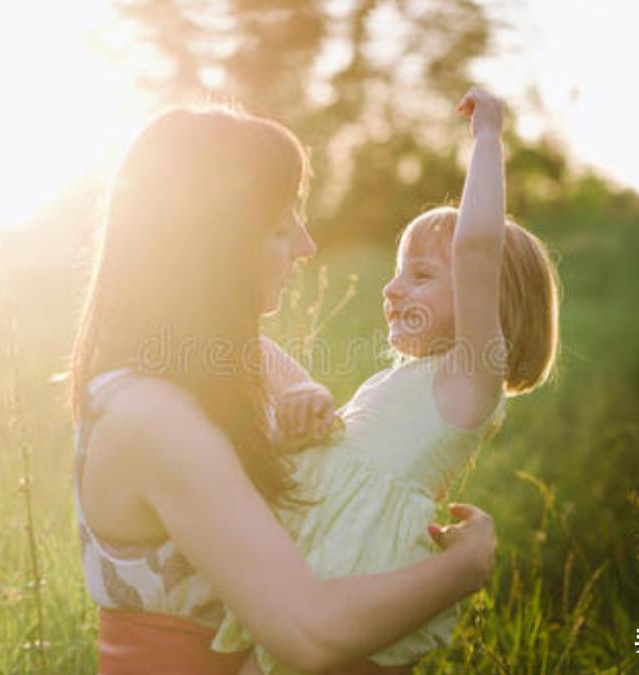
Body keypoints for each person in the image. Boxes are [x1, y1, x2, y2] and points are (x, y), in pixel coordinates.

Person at [69, 103, 500, 674]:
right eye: (280, 226)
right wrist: (463, 569)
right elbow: (310, 632)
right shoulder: (148, 414)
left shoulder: (243, 364)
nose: (306, 245)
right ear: (215, 245)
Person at [210, 89, 560, 674]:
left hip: (368, 573)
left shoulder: (470, 376)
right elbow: (339, 449)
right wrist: (307, 413)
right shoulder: (407, 378)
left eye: (421, 275)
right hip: (322, 562)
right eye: (397, 274)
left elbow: (477, 249)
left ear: (489, 302)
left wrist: (489, 136)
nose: (392, 290)